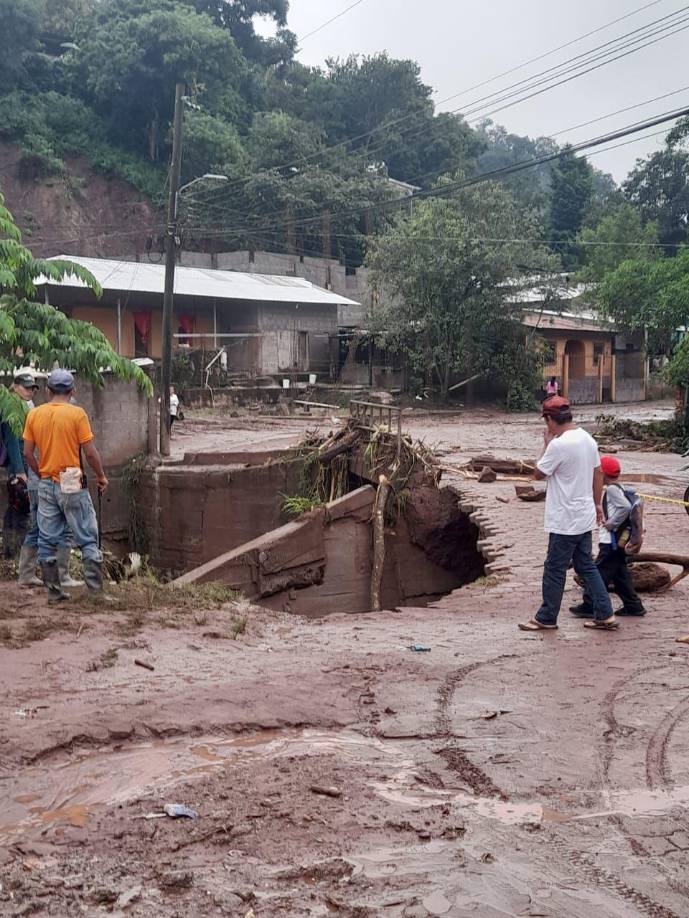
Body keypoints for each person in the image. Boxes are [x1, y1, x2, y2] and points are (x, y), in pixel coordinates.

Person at [519, 396, 618, 632]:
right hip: (583, 515)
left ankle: (546, 616)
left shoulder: (559, 445)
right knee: (586, 565)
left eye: (546, 421)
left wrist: (545, 444)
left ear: (550, 420)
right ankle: (604, 613)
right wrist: (597, 505)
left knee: (554, 567)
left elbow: (538, 473)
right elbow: (598, 474)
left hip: (564, 518)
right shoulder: (587, 439)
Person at [22, 369, 109, 601]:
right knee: (88, 537)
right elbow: (90, 453)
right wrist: (101, 476)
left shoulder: (35, 414)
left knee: (47, 540)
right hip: (71, 480)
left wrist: (41, 473)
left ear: (48, 391)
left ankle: (54, 593)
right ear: (72, 391)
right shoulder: (77, 414)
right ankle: (96, 593)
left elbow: (27, 453)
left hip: (46, 482)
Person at [570, 455, 645, 619]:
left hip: (610, 541)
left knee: (599, 573)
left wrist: (611, 523)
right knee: (620, 575)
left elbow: (624, 507)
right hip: (619, 541)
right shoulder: (620, 487)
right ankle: (633, 606)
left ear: (602, 473)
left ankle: (589, 604)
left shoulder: (611, 489)